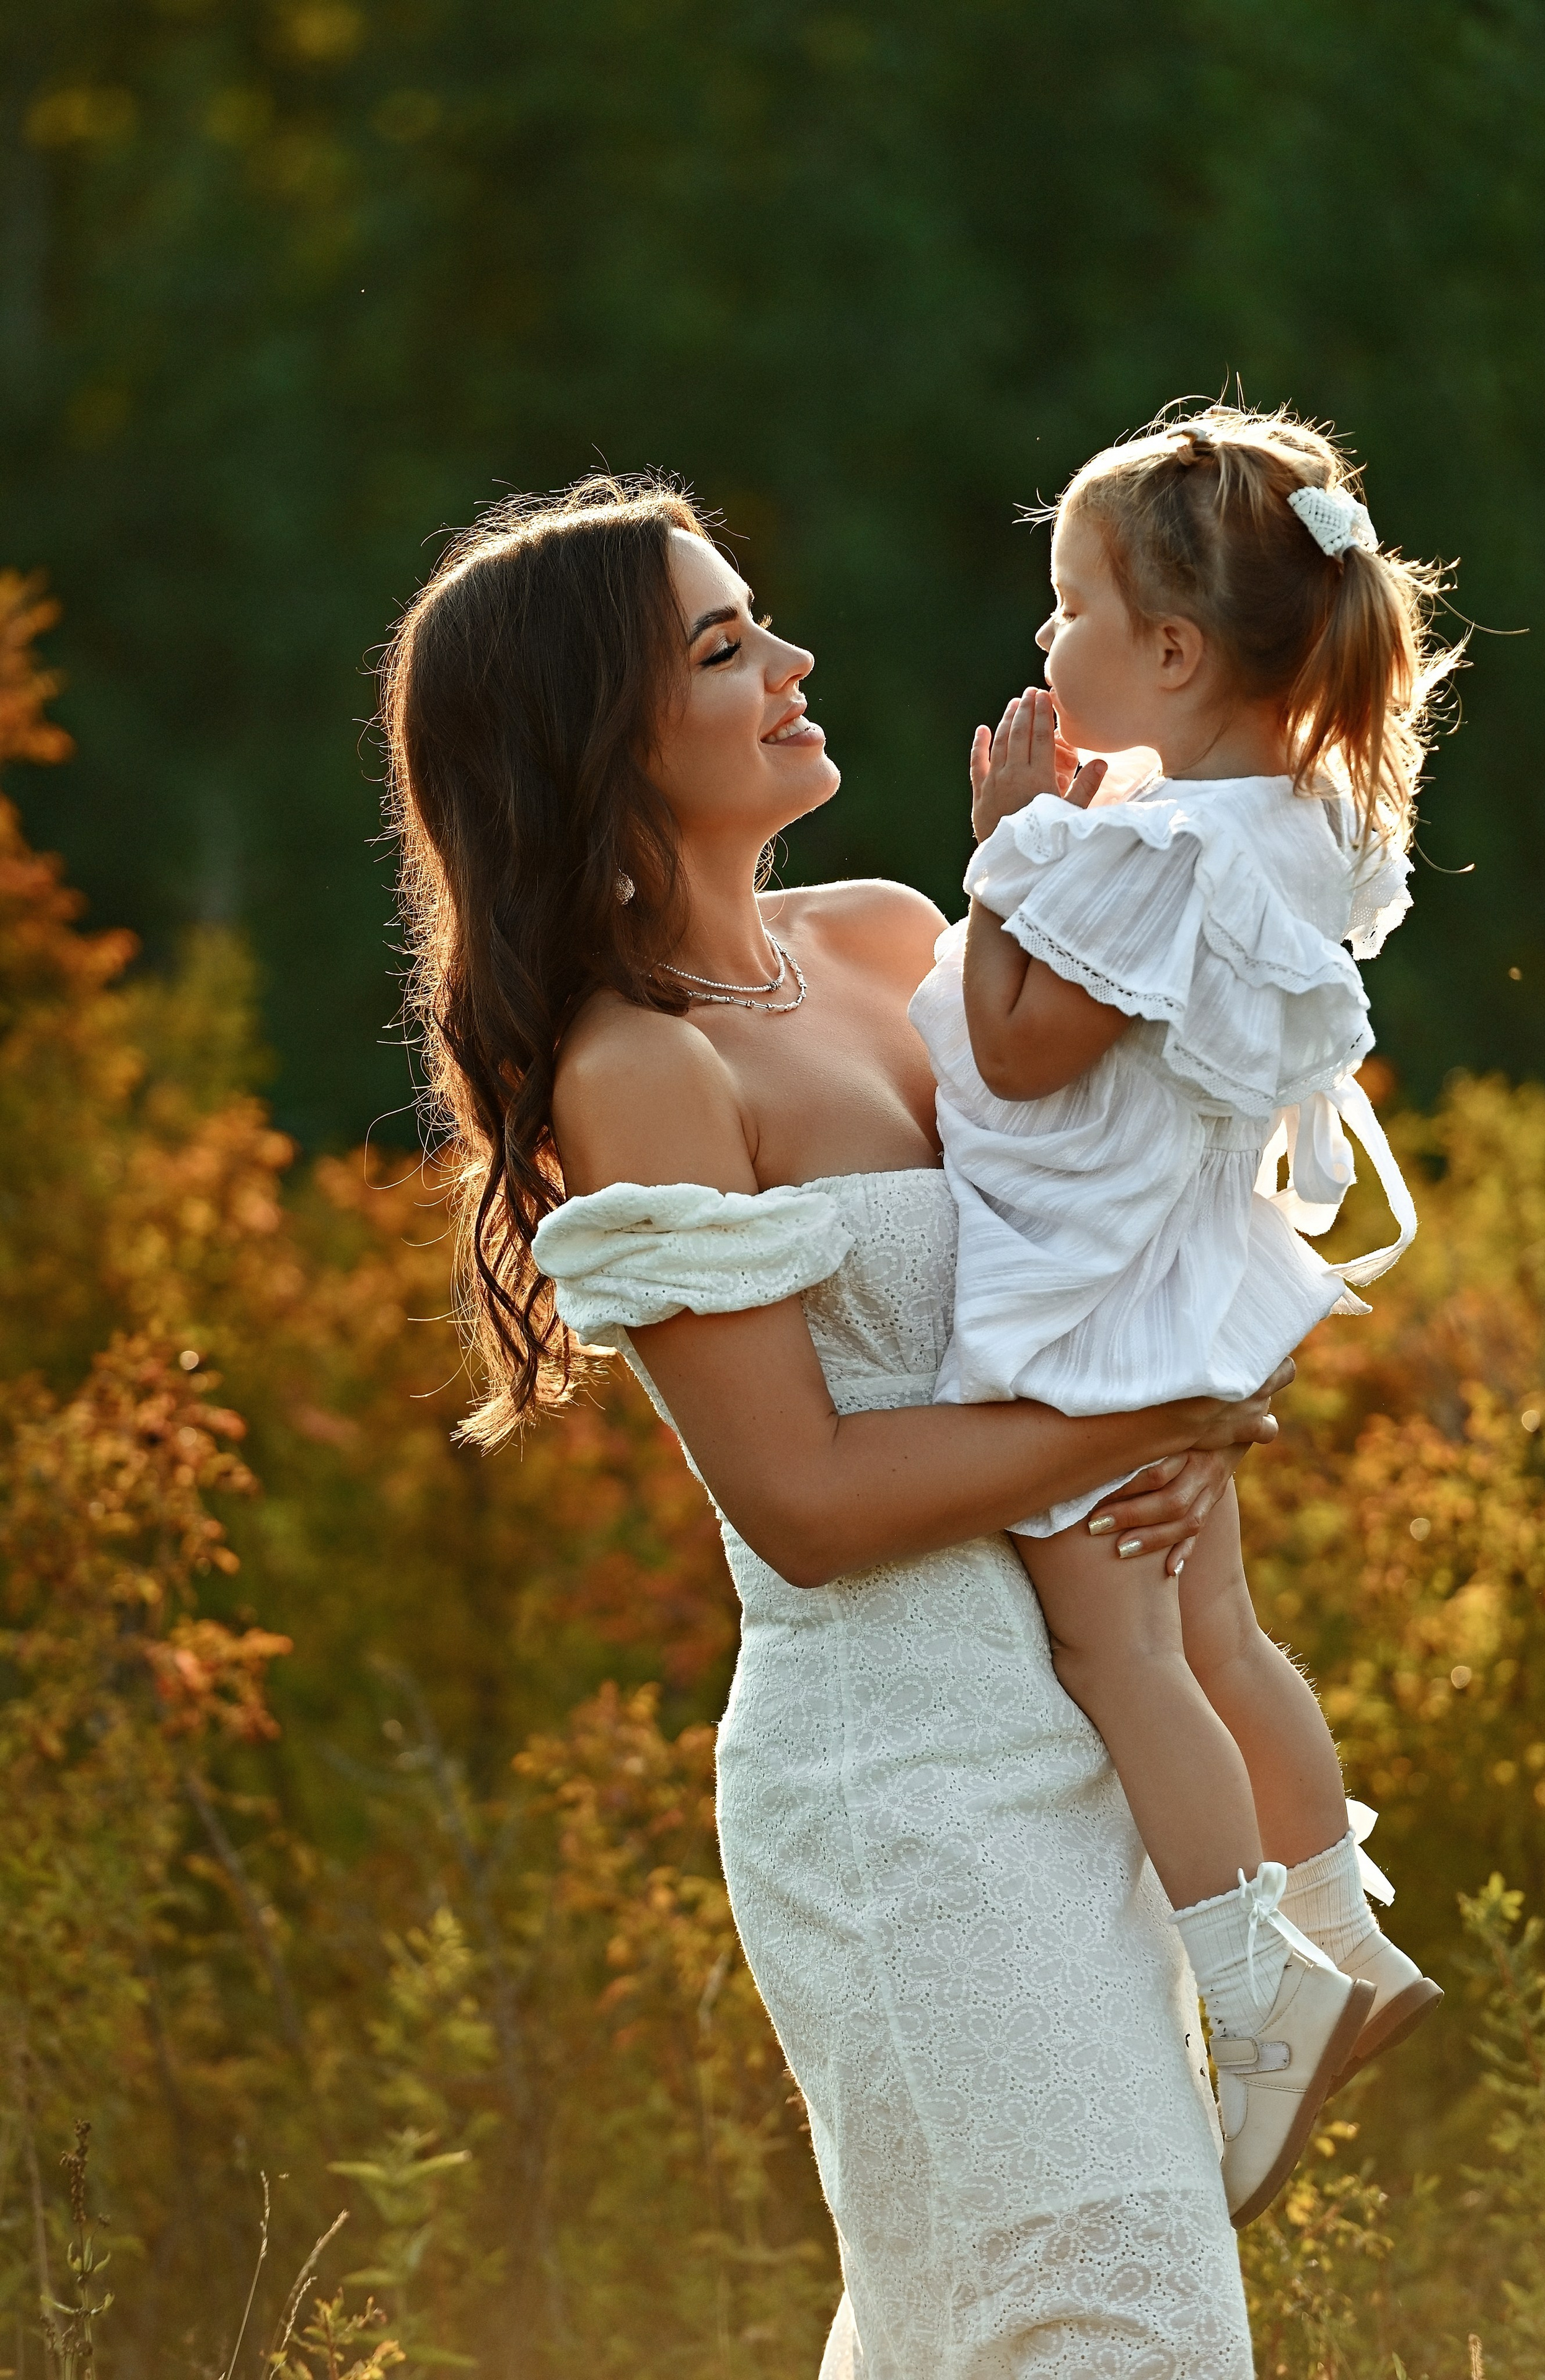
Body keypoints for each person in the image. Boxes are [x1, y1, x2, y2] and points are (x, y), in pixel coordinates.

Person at [382, 472, 1292, 2378]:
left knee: (1043, 2313)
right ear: (598, 746)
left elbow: (1089, 1219)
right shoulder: (642, 1070)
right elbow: (798, 1498)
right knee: (1111, 2317)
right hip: (900, 1782)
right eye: (724, 650)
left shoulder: (891, 934)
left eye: (760, 620)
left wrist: (1192, 1378)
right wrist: (1148, 1406)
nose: (793, 661)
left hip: (1083, 1728)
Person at [909, 404, 1453, 2228]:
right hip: (1184, 1276)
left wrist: (1004, 856)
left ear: (1169, 653)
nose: (1045, 646)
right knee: (1219, 1636)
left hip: (1086, 1304)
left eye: (1068, 610)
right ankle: (1341, 1925)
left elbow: (1018, 1046)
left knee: (1115, 1649)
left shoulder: (1133, 854)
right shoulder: (1298, 819)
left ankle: (1258, 1992)